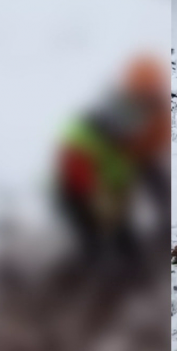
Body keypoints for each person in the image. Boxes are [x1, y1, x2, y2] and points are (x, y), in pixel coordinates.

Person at [54, 54, 169, 275]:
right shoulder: (100, 127)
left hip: (112, 171)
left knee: (117, 222)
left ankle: (125, 259)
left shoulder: (141, 117)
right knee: (94, 222)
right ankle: (101, 256)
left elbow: (143, 151)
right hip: (85, 180)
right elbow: (80, 183)